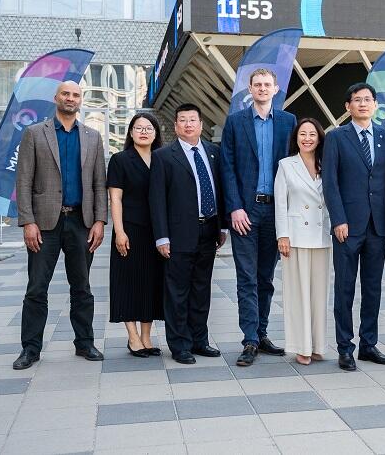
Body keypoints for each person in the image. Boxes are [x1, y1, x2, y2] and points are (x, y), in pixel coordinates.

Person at [13, 80, 107, 370]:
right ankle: (30, 349)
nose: (70, 98)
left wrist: (100, 220)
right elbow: (23, 181)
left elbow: (99, 183)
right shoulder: (34, 134)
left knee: (82, 287)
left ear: (81, 100)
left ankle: (85, 343)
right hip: (44, 225)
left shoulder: (93, 137)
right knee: (36, 288)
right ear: (56, 98)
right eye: (65, 94)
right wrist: (28, 221)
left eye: (75, 95)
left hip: (81, 222)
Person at [220, 68, 297, 366]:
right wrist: (235, 207)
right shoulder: (235, 122)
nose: (262, 89)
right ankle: (249, 339)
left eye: (267, 85)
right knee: (247, 277)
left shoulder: (289, 122)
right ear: (250, 89)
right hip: (245, 211)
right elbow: (227, 167)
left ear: (276, 89)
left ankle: (262, 333)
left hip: (276, 211)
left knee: (266, 277)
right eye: (257, 85)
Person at [322, 82, 385, 371]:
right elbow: (330, 182)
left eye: (367, 99)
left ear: (375, 105)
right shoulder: (336, 137)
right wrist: (338, 219)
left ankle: (368, 344)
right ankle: (345, 347)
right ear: (348, 106)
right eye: (357, 100)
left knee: (373, 288)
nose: (363, 104)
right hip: (347, 226)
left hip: (378, 225)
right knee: (344, 288)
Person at [150, 103, 228, 365]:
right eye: (182, 120)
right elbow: (157, 199)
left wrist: (223, 226)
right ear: (175, 126)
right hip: (178, 234)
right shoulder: (163, 156)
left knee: (201, 289)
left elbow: (220, 190)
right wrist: (162, 236)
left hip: (209, 229)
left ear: (201, 125)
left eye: (192, 120)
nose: (188, 124)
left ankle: (199, 340)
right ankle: (180, 344)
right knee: (178, 291)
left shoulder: (214, 152)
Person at [108, 112, 165, 357]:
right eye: (139, 127)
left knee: (150, 282)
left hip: (156, 232)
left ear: (156, 133)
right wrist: (119, 231)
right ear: (131, 133)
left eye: (149, 128)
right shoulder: (120, 159)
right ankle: (132, 337)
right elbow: (115, 198)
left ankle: (146, 337)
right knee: (128, 282)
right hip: (129, 229)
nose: (144, 132)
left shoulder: (162, 158)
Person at [274, 118, 330, 365]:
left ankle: (317, 345)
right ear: (295, 138)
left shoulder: (326, 163)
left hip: (322, 235)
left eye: (312, 134)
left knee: (319, 294)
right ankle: (301, 346)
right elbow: (280, 203)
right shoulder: (286, 165)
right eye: (302, 134)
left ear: (319, 138)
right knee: (298, 294)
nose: (307, 139)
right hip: (295, 236)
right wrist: (282, 235)